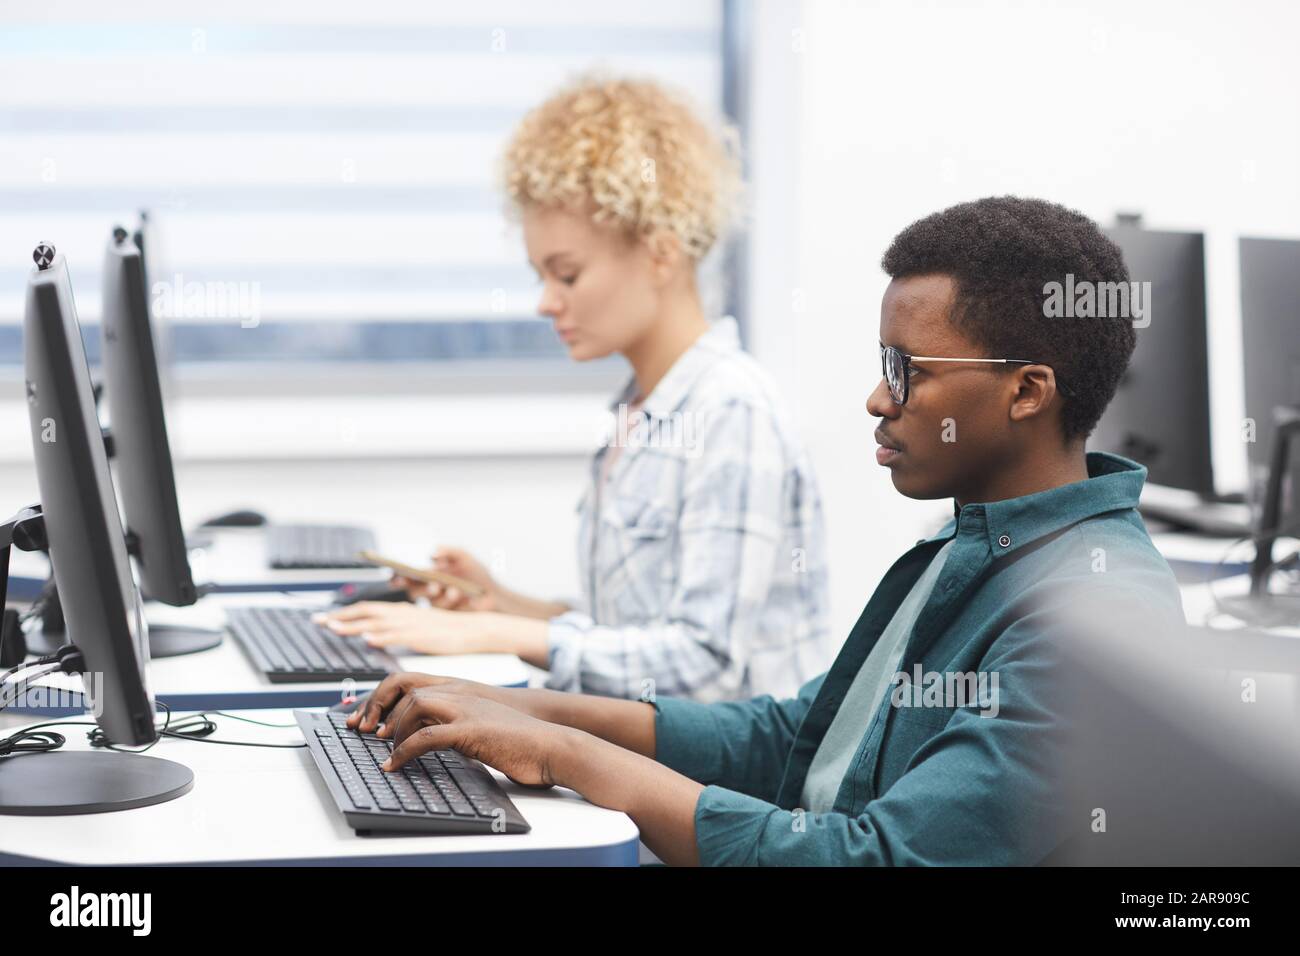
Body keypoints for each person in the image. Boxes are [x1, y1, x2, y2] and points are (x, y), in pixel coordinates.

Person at [343, 196, 1188, 866]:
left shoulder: (1095, 619)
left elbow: (871, 859)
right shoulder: (978, 543)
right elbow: (791, 737)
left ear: (1028, 391)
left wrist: (560, 752)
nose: (877, 399)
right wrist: (519, 709)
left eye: (908, 372)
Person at [323, 76, 831, 703]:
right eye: (541, 275)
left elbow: (702, 665)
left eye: (567, 274)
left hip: (732, 787)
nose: (545, 302)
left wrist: (493, 632)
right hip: (650, 759)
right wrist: (499, 603)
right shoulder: (638, 408)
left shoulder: (732, 410)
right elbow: (628, 637)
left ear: (661, 253)